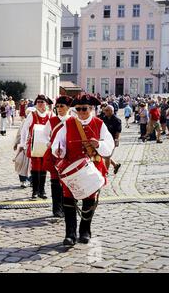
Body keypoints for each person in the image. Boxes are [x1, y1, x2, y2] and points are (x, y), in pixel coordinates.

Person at [52, 94, 114, 246]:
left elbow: (109, 147)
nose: (81, 112)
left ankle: (85, 231)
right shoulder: (67, 123)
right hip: (71, 168)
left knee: (89, 200)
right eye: (78, 109)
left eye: (84, 109)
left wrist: (98, 145)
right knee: (68, 199)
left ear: (91, 108)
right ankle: (70, 234)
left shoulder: (99, 124)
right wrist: (58, 150)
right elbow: (57, 144)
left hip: (91, 168)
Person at [42, 95, 74, 217]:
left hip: (69, 155)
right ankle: (57, 209)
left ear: (68, 107)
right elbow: (44, 135)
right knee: (55, 182)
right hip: (55, 155)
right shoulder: (52, 121)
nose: (59, 108)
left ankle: (67, 207)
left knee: (67, 182)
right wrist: (48, 143)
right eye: (58, 106)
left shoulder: (72, 120)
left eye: (62, 106)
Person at [20, 94, 53, 200]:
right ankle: (34, 191)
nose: (39, 104)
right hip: (34, 144)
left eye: (42, 102)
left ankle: (42, 190)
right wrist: (23, 144)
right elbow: (24, 129)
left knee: (44, 167)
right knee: (35, 167)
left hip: (46, 145)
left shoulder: (50, 115)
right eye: (38, 102)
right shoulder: (32, 114)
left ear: (46, 104)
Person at [102, 105, 122, 174]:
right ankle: (115, 165)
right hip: (104, 139)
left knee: (107, 156)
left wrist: (116, 140)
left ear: (111, 111)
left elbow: (118, 131)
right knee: (104, 155)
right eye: (105, 110)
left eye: (107, 110)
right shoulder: (104, 118)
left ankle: (105, 172)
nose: (105, 112)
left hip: (112, 140)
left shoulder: (117, 120)